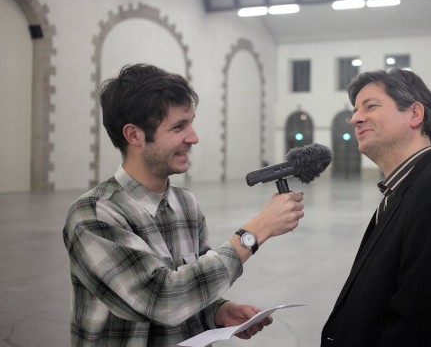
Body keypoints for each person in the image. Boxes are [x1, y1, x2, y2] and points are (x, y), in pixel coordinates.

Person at [63, 63, 305, 346]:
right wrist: (254, 232)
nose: (194, 137)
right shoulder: (93, 215)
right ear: (134, 135)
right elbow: (162, 301)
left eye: (191, 122)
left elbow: (192, 285)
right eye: (179, 126)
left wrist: (217, 310)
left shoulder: (186, 203)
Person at [321, 68, 431, 346]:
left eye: (371, 106)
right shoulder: (404, 189)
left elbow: (429, 326)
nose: (355, 119)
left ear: (415, 114)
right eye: (355, 111)